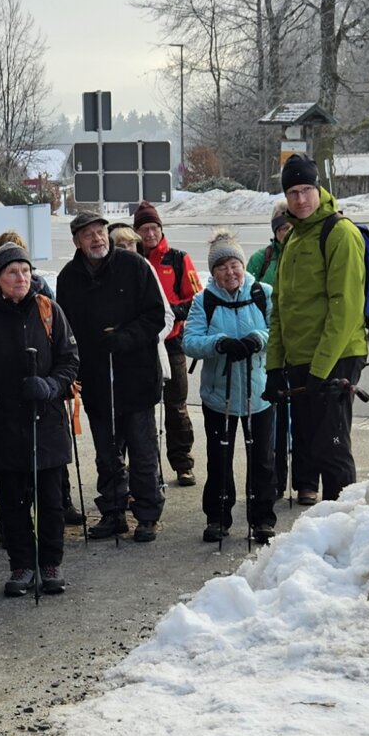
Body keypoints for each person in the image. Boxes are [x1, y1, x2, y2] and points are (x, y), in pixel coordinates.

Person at [0, 241, 79, 596]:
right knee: (12, 501)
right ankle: (21, 565)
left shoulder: (49, 310)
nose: (21, 277)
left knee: (51, 500)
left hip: (46, 420)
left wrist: (51, 385)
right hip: (3, 423)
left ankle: (50, 563)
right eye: (12, 272)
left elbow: (70, 360)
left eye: (25, 271)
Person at [58, 209, 168, 543]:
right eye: (88, 234)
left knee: (143, 451)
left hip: (136, 376)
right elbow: (65, 330)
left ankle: (147, 513)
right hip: (96, 379)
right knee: (106, 454)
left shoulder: (134, 266)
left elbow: (157, 315)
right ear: (77, 241)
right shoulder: (68, 278)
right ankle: (113, 511)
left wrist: (126, 338)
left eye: (100, 232)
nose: (97, 239)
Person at [264, 156, 368, 507]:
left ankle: (343, 523)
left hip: (336, 358)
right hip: (302, 360)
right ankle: (322, 528)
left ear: (319, 189)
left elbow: (345, 308)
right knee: (308, 444)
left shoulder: (340, 233)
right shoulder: (294, 237)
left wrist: (321, 369)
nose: (300, 199)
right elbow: (281, 307)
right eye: (292, 192)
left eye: (306, 189)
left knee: (332, 448)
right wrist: (274, 367)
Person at [180, 231, 274, 545]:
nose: (229, 272)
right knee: (219, 459)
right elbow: (190, 342)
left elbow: (279, 331)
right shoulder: (203, 300)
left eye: (234, 264)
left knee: (262, 460)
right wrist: (219, 343)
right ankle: (218, 518)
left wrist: (257, 339)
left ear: (243, 265)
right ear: (213, 271)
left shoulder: (263, 293)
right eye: (222, 267)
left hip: (259, 392)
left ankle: (262, 519)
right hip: (219, 396)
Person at [132, 202, 201, 487]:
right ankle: (144, 467)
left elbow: (196, 299)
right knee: (140, 409)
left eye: (154, 228)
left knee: (176, 406)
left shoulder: (178, 259)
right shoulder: (130, 259)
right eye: (144, 229)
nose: (150, 234)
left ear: (161, 229)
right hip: (139, 345)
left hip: (171, 343)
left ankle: (183, 463)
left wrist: (169, 311)